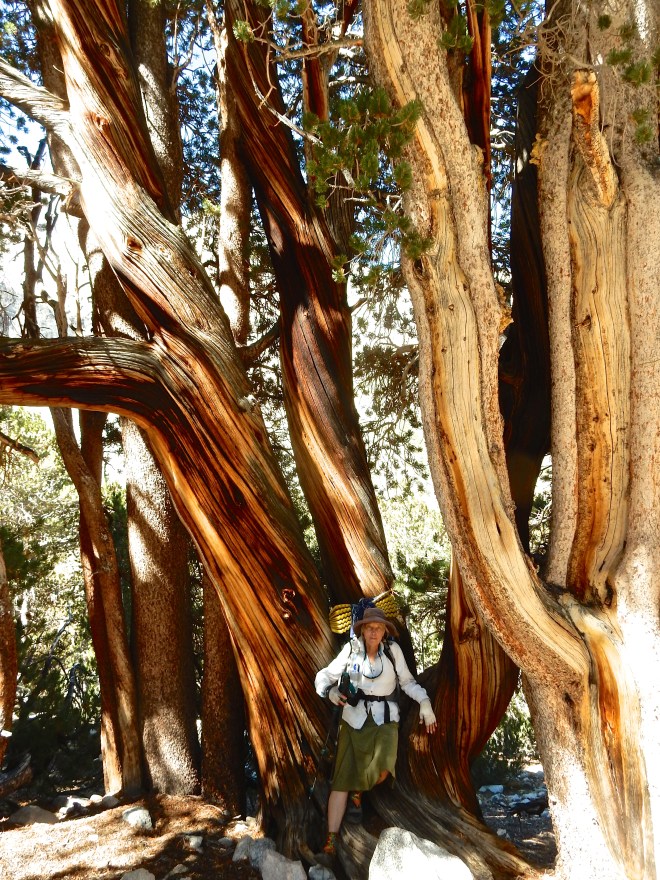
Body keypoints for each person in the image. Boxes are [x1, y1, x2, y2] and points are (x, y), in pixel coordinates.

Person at [314, 606, 437, 858]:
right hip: (353, 718)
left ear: (384, 631)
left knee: (384, 768)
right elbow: (324, 675)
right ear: (362, 630)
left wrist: (425, 703)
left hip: (385, 718)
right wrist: (330, 691)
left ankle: (359, 791)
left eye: (378, 628)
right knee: (341, 780)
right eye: (369, 628)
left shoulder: (392, 652)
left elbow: (408, 683)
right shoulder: (350, 651)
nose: (373, 632)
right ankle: (331, 839)